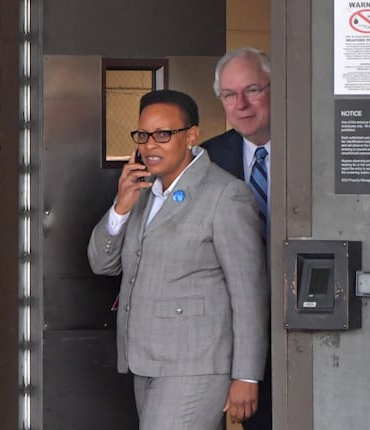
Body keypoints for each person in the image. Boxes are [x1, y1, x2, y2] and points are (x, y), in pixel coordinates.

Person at [87, 89, 269, 430]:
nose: (150, 145)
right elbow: (102, 263)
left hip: (196, 365)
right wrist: (121, 206)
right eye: (143, 135)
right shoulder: (142, 192)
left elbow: (249, 293)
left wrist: (247, 375)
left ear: (192, 136)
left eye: (163, 134)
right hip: (144, 362)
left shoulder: (225, 195)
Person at [201, 47, 273, 430]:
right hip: (230, 329)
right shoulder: (206, 159)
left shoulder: (313, 150)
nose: (241, 104)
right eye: (229, 95)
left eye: (253, 90)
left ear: (277, 89)